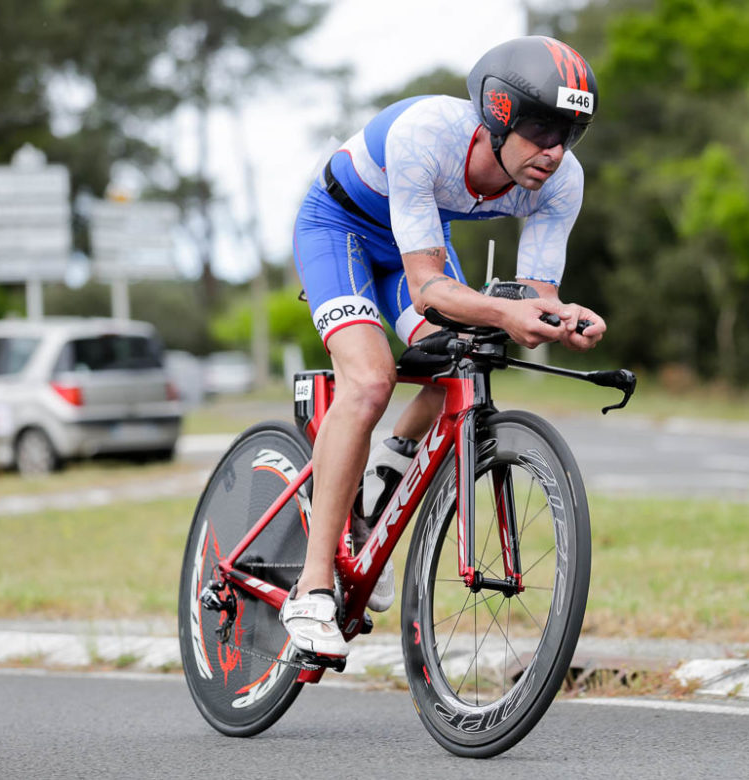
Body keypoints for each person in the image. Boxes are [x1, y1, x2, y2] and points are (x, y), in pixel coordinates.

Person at [281, 36, 607, 659]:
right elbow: (430, 287)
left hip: (416, 242)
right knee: (372, 379)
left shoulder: (561, 181)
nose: (554, 150)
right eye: (541, 128)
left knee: (463, 352)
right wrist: (508, 310)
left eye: (571, 133)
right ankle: (314, 587)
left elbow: (536, 290)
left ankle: (382, 476)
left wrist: (563, 315)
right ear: (499, 114)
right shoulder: (425, 134)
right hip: (340, 230)